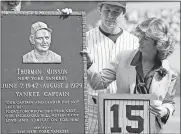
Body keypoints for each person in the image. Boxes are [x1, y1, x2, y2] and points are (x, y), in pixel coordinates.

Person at [83, 17, 178, 133]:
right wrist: (88, 63)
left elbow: (169, 103)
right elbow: (98, 83)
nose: (140, 40)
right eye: (140, 35)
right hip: (120, 129)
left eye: (146, 38)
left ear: (158, 43)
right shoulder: (122, 58)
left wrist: (164, 110)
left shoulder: (170, 73)